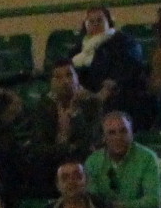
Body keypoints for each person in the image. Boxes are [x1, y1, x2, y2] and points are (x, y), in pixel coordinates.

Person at [19, 61, 103, 197]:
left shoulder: (92, 103)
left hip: (81, 158)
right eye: (58, 77)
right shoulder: (44, 106)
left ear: (77, 78)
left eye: (69, 75)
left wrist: (75, 113)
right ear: (51, 83)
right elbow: (39, 144)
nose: (65, 81)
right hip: (52, 160)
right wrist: (66, 145)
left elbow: (91, 140)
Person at [72, 6, 151, 126]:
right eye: (91, 22)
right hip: (87, 92)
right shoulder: (78, 50)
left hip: (116, 92)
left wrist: (111, 85)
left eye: (99, 20)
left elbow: (129, 67)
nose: (95, 25)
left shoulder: (124, 42)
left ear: (109, 22)